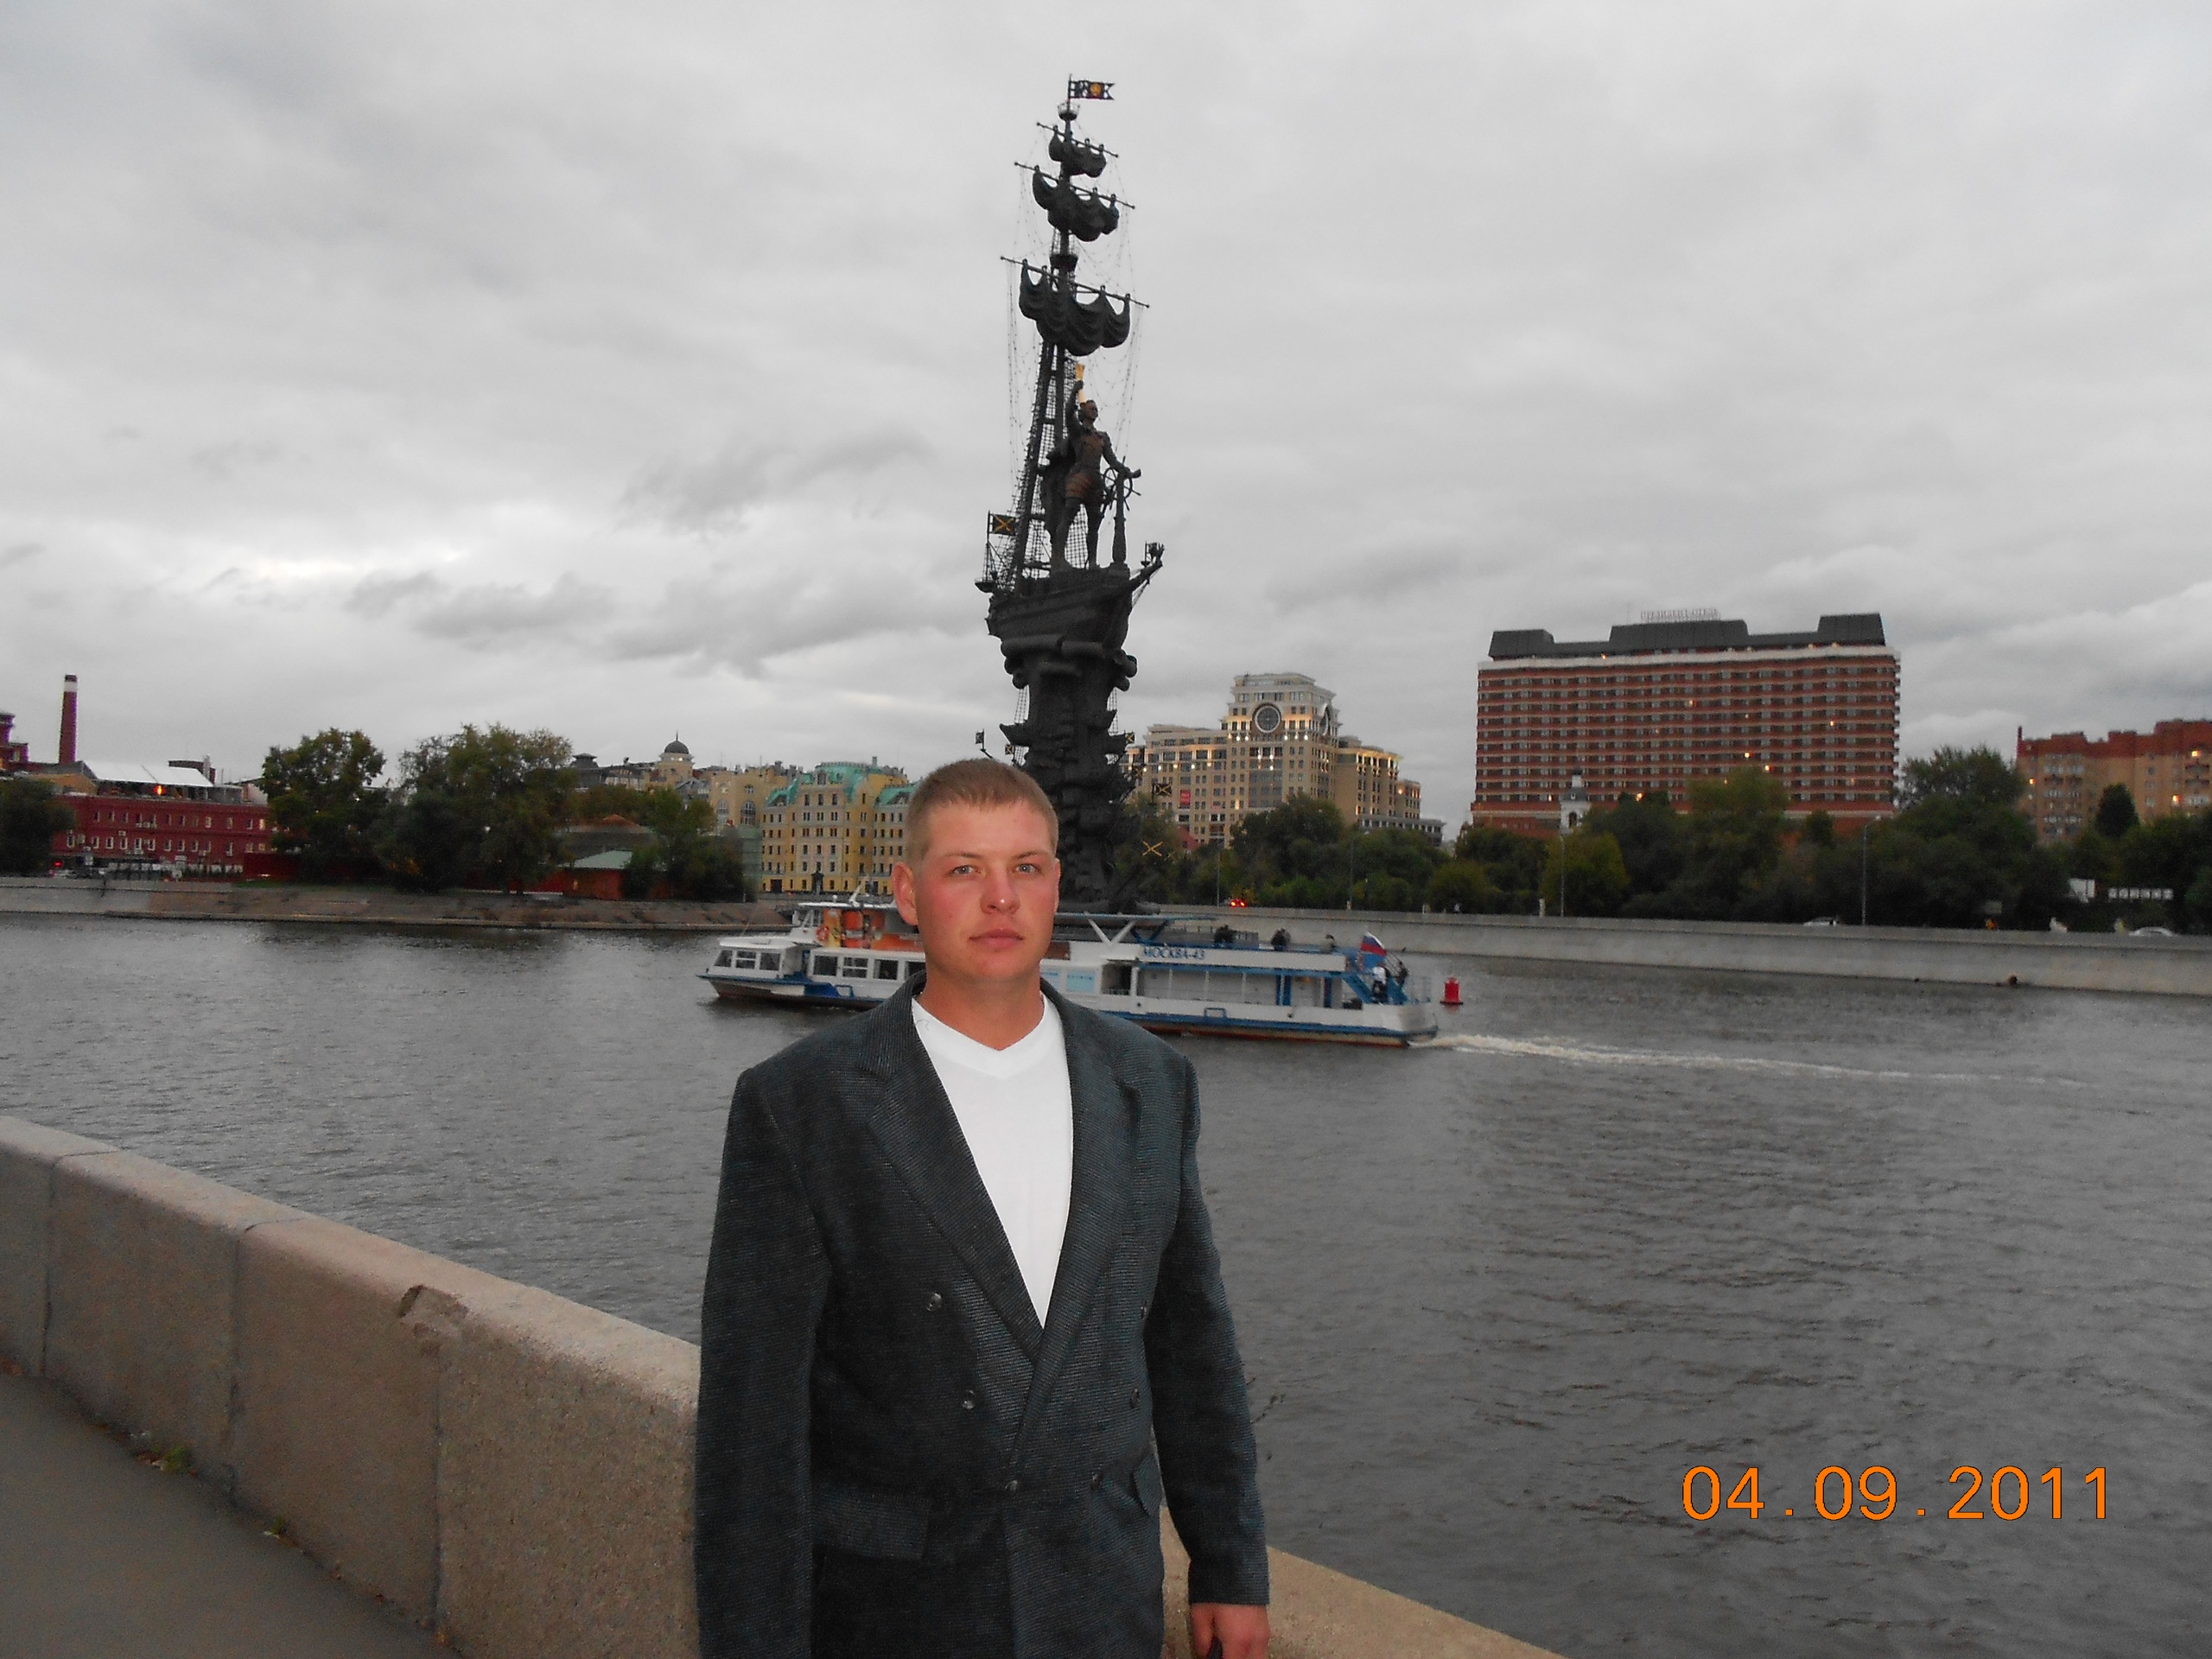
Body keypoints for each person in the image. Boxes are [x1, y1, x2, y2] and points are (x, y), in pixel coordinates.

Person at [696, 759, 1270, 1659]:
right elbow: (751, 1423)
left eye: (1026, 868)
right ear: (908, 894)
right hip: (896, 1613)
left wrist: (1229, 1566)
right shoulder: (803, 1102)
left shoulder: (1151, 1084)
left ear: (1056, 888)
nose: (1001, 898)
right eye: (965, 869)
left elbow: (1191, 1347)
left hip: (1102, 1599)